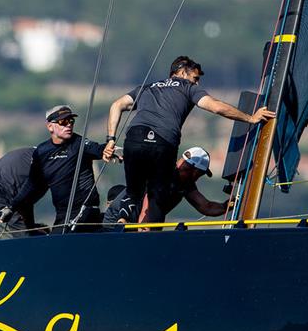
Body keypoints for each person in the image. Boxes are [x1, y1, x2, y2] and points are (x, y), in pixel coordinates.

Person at [106, 55, 275, 224]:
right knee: (157, 194)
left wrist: (111, 140)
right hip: (162, 142)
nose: (197, 83)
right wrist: (251, 118)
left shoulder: (146, 88)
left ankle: (123, 222)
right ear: (181, 72)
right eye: (195, 78)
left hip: (134, 138)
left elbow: (116, 105)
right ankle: (147, 233)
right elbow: (216, 107)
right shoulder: (187, 88)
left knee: (134, 191)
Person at [0, 105, 112, 234]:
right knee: (53, 246)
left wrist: (110, 149)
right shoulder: (41, 151)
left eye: (71, 121)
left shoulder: (79, 143)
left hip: (85, 212)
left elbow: (98, 149)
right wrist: (11, 207)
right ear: (50, 126)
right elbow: (31, 184)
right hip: (62, 214)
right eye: (63, 122)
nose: (68, 125)